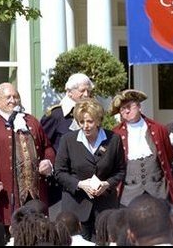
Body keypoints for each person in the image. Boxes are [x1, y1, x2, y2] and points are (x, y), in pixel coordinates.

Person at [0, 82, 55, 234]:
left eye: (15, 97)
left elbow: (47, 147)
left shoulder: (31, 121)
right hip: (5, 195)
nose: (13, 100)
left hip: (35, 195)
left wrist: (48, 162)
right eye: (8, 97)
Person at [54, 98, 126, 241]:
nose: (85, 126)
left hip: (105, 207)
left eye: (90, 121)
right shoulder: (68, 140)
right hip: (77, 206)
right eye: (81, 122)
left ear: (98, 121)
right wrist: (80, 184)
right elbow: (59, 172)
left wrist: (107, 184)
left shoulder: (114, 139)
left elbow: (121, 171)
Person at [109, 89, 173, 206]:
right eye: (122, 109)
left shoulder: (159, 129)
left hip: (157, 191)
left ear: (139, 107)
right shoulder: (115, 133)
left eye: (129, 106)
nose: (126, 111)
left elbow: (168, 157)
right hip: (128, 195)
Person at [40, 73, 94, 218]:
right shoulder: (56, 115)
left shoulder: (93, 114)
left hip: (87, 180)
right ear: (69, 92)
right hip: (61, 184)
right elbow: (42, 144)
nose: (86, 94)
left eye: (88, 90)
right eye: (82, 90)